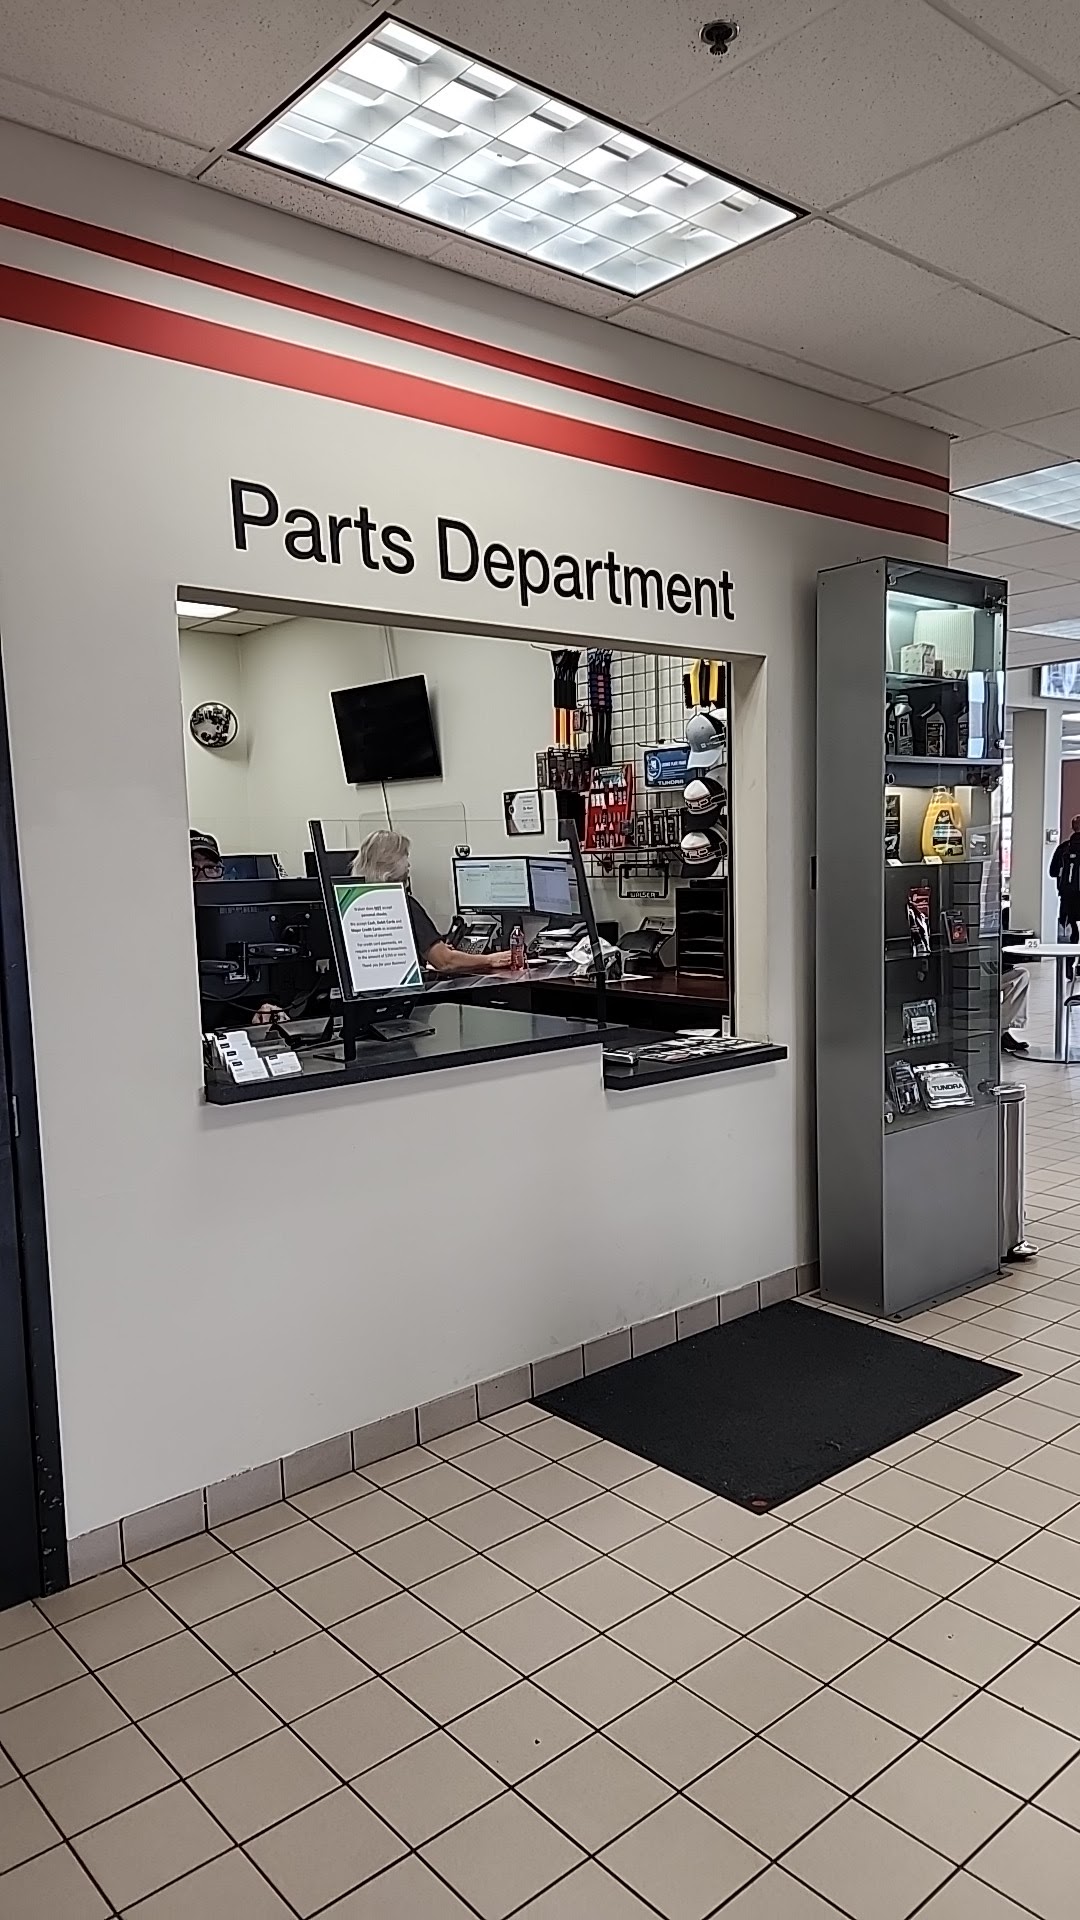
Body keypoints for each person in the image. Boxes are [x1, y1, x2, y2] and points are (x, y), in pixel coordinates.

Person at [351, 831, 514, 974]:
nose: (408, 865)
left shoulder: (354, 903)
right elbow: (445, 962)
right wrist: (491, 959)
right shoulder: (401, 904)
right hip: (403, 994)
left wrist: (433, 950)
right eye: (405, 857)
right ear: (391, 863)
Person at [191, 830, 283, 1028]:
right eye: (192, 868)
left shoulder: (242, 919)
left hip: (235, 1024)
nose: (202, 877)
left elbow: (257, 981)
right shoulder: (164, 926)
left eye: (211, 868)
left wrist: (265, 1006)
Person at [1051, 816, 1080, 944]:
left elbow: (1052, 872)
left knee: (1073, 928)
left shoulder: (1063, 848)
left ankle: (1072, 949)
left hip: (1067, 894)